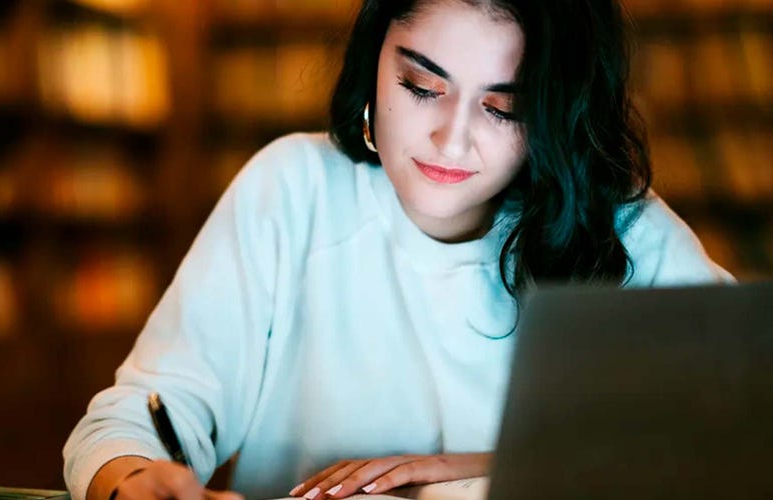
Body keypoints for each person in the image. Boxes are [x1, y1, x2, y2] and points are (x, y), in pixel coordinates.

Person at [63, 0, 733, 499]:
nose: (451, 138)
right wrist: (133, 481)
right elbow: (134, 419)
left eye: (503, 108)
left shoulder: (622, 234)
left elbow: (741, 433)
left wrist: (486, 468)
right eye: (422, 86)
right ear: (374, 61)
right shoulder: (294, 190)